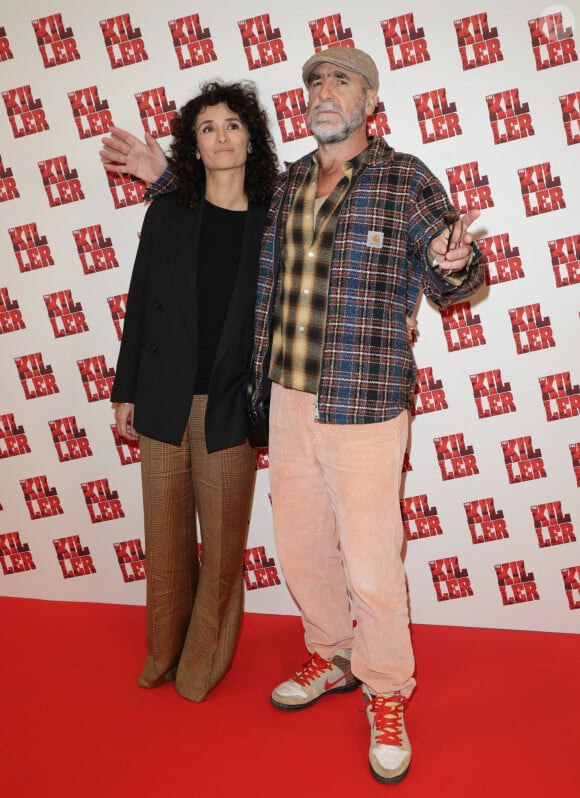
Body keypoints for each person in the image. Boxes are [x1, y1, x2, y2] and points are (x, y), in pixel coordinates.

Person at [102, 47, 484, 784]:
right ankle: (333, 654)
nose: (323, 90)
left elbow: (452, 277)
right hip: (285, 400)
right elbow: (220, 206)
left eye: (341, 79)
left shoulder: (406, 180)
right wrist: (163, 174)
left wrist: (455, 259)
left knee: (371, 561)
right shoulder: (290, 184)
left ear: (370, 100)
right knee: (304, 548)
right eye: (313, 81)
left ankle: (385, 690)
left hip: (365, 403)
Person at [103, 81, 278, 702]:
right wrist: (126, 391)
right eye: (208, 128)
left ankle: (203, 662)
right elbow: (141, 306)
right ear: (194, 146)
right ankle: (163, 652)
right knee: (167, 541)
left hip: (232, 406)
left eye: (233, 125)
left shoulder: (273, 220)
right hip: (162, 402)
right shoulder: (167, 213)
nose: (222, 137)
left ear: (250, 139)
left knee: (224, 547)